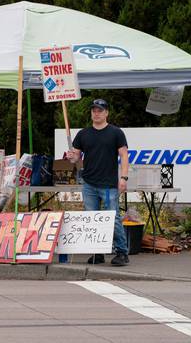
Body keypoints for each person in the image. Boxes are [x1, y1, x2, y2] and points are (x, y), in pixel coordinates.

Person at [66, 98, 130, 266]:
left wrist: (123, 178)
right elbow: (76, 158)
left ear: (106, 113)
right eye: (94, 110)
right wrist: (72, 157)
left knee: (114, 218)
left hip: (109, 184)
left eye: (100, 110)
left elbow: (124, 155)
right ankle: (98, 253)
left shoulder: (116, 132)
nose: (96, 113)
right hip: (89, 184)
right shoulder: (83, 134)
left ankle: (122, 252)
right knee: (92, 220)